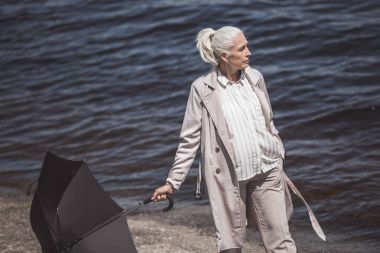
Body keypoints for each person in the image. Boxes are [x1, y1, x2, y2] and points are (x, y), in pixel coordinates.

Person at [151, 26, 325, 253]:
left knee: (280, 240)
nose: (249, 52)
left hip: (267, 168)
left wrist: (278, 151)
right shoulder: (202, 89)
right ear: (224, 55)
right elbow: (190, 139)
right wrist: (173, 182)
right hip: (230, 177)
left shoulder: (255, 77)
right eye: (242, 49)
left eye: (247, 46)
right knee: (231, 245)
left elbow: (268, 120)